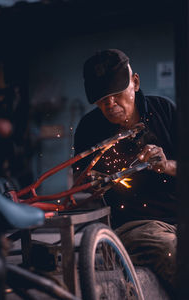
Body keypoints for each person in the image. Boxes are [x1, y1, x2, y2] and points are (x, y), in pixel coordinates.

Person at [72, 49, 177, 297]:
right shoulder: (89, 129)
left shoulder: (165, 111)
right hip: (137, 228)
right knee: (175, 253)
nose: (110, 105)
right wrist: (91, 186)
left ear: (135, 83)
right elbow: (79, 187)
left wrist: (167, 165)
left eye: (116, 95)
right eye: (102, 99)